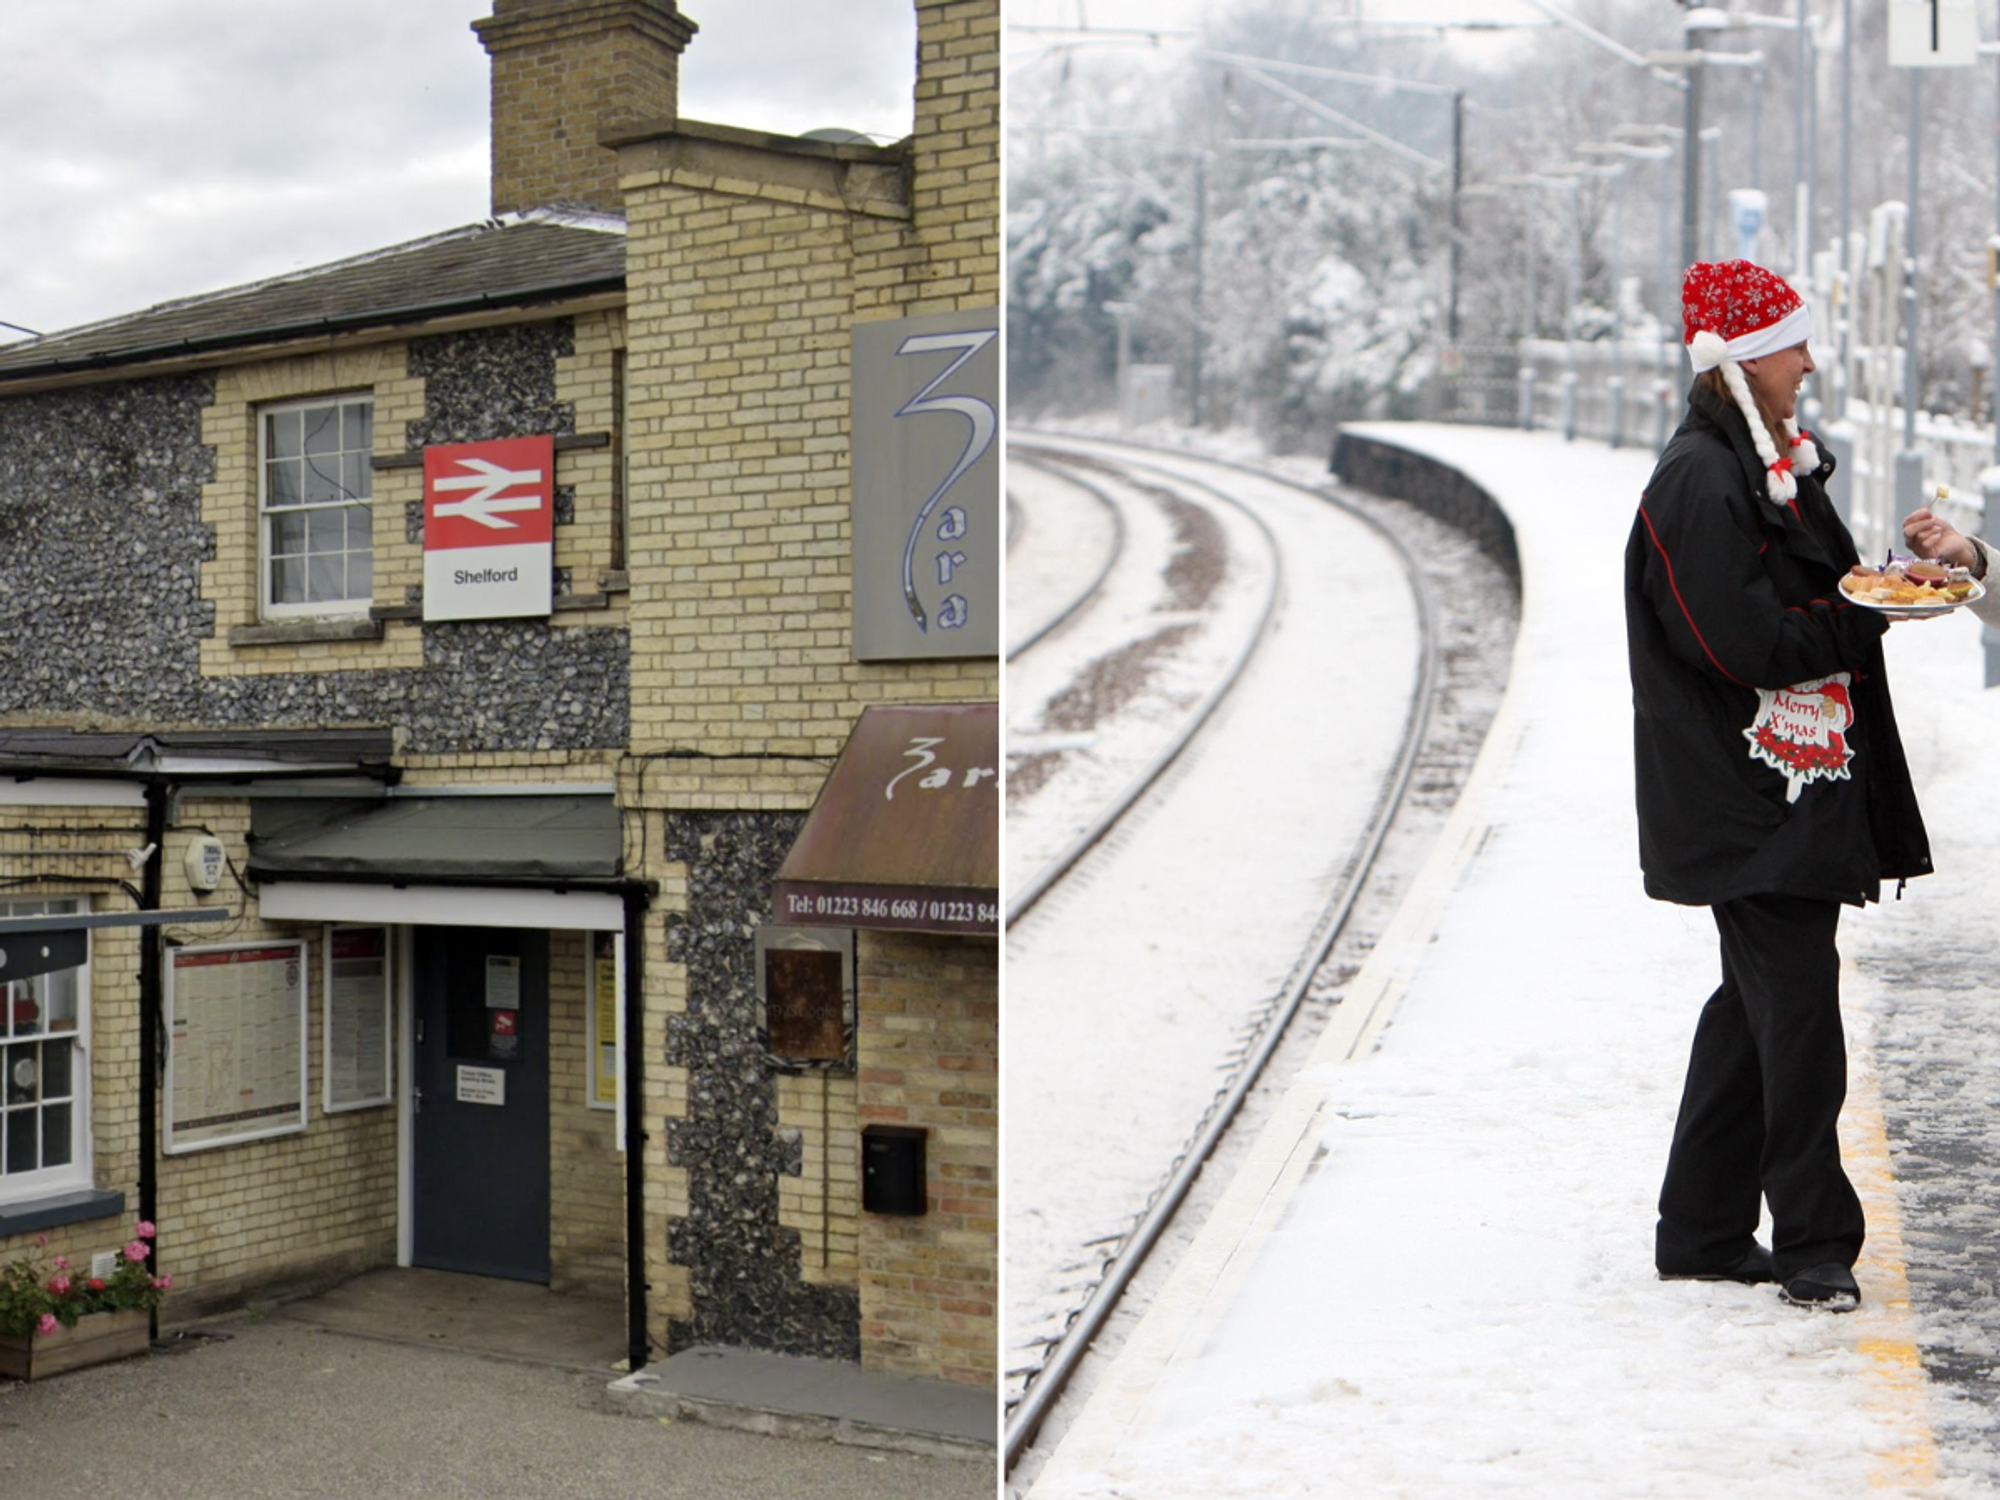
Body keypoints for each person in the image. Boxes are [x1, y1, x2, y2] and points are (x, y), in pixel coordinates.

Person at [1624, 259, 1933, 1312]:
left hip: (1776, 787)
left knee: (1751, 1007)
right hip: (1745, 799)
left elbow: (1803, 596)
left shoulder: (1753, 467)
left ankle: (1701, 1230)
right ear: (1743, 359)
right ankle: (1813, 1245)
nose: (1808, 360)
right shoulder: (1698, 481)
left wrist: (1888, 576)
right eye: (1792, 343)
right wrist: (1866, 614)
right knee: (1796, 1011)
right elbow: (1740, 641)